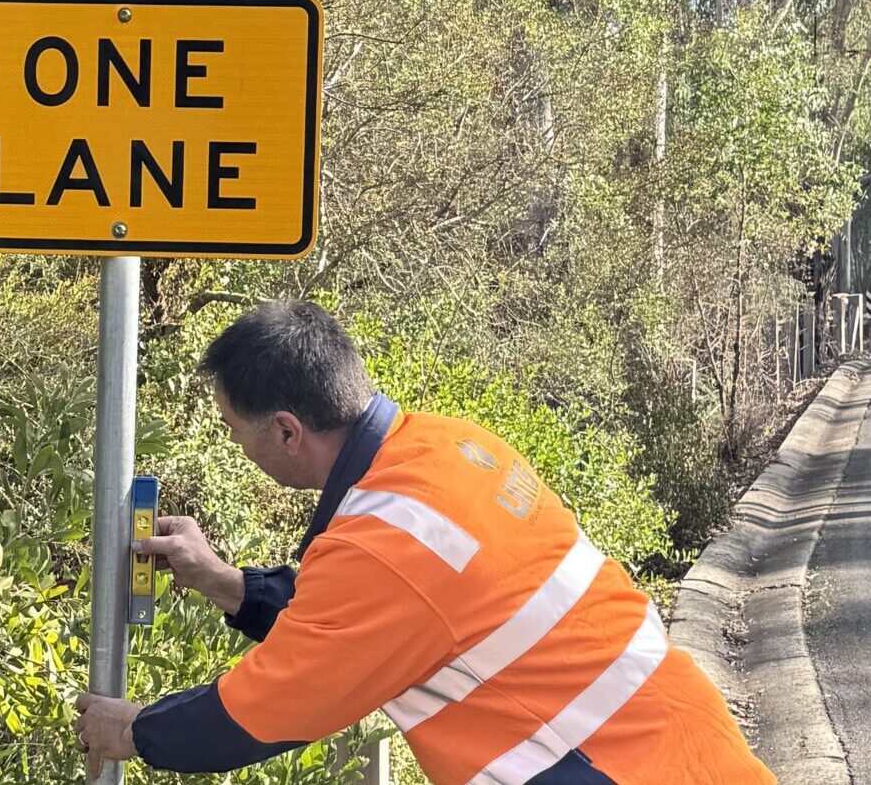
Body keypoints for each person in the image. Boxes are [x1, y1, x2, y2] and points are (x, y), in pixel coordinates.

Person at [74, 301, 773, 784]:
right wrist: (223, 581)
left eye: (236, 429)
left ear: (287, 431)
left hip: (607, 769)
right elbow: (370, 622)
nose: (234, 443)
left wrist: (135, 732)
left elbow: (272, 707)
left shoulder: (384, 544)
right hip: (680, 746)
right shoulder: (447, 448)